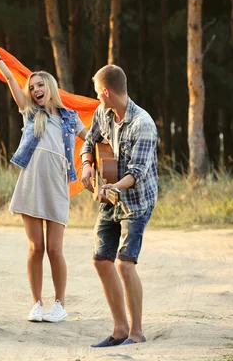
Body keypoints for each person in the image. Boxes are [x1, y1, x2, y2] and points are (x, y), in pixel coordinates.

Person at [0, 33, 88, 323]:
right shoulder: (30, 112)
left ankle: (59, 304)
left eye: (40, 85)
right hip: (31, 183)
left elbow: (89, 140)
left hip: (57, 186)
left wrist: (95, 158)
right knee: (35, 247)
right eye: (32, 86)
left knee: (54, 249)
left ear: (49, 87)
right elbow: (11, 79)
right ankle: (37, 303)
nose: (35, 89)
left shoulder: (69, 117)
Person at [81, 65, 158, 347]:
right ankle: (119, 330)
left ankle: (137, 334)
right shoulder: (104, 112)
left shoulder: (143, 124)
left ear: (106, 91)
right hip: (110, 195)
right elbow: (90, 141)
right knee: (101, 261)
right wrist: (88, 165)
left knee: (125, 265)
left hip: (137, 201)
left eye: (96, 93)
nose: (97, 98)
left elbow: (137, 173)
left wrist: (113, 185)